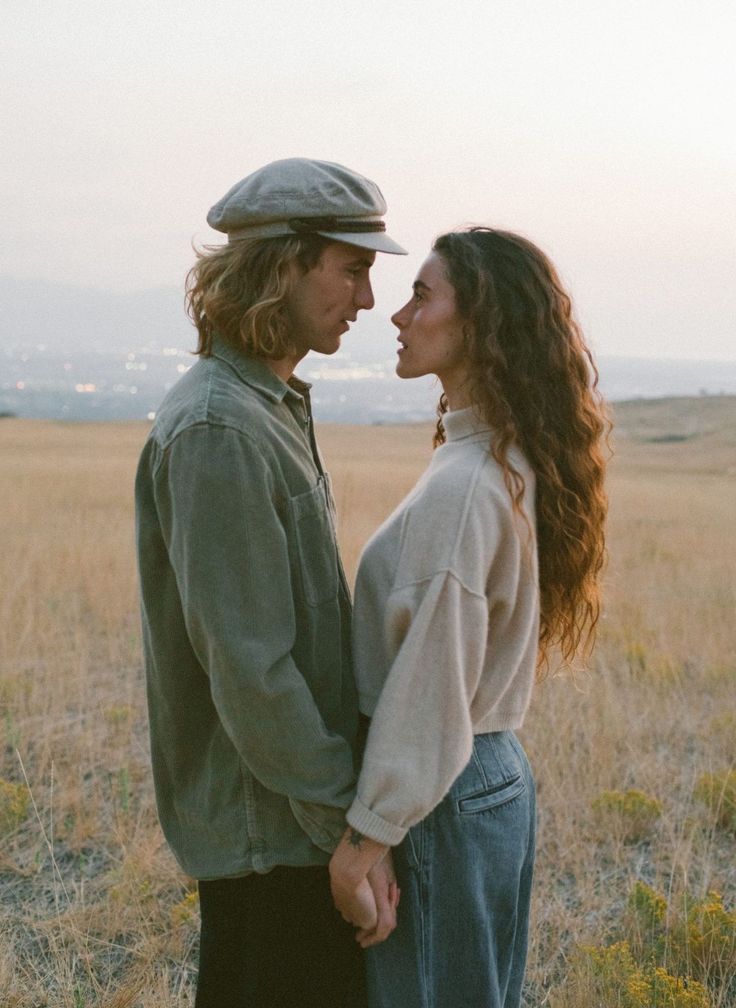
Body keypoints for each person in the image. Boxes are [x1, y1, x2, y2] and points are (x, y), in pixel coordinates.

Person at [134, 158, 406, 1008]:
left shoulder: (270, 404)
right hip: (274, 835)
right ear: (284, 264)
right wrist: (349, 832)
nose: (367, 300)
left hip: (293, 824)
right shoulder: (221, 428)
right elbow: (252, 671)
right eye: (353, 269)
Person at [329, 227, 609, 1007]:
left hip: (440, 792)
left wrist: (364, 842)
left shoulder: (465, 485)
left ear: (479, 322)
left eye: (422, 294)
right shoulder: (502, 457)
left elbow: (431, 685)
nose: (397, 314)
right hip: (487, 779)